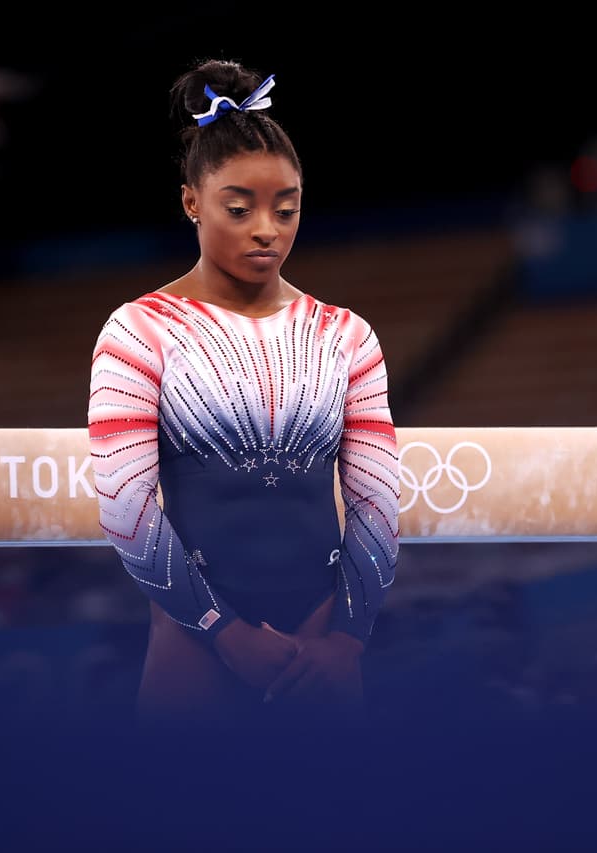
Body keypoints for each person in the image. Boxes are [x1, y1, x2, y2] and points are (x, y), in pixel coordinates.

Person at [87, 58, 400, 729]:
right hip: (195, 641)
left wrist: (348, 637)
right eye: (240, 207)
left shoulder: (346, 335)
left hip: (323, 644)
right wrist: (222, 629)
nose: (267, 228)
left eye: (286, 209)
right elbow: (126, 506)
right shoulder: (138, 331)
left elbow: (377, 502)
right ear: (191, 201)